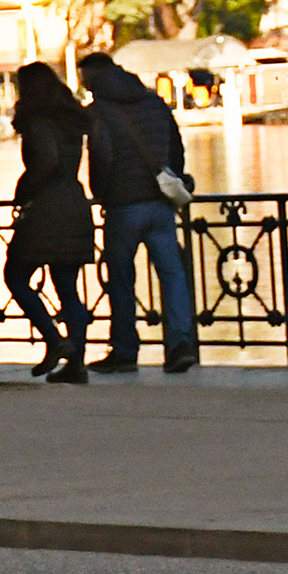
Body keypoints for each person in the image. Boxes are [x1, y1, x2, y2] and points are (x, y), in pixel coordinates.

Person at [79, 51, 198, 374]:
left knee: (120, 278)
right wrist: (169, 181)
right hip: (160, 203)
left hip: (123, 206)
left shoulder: (100, 112)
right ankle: (179, 344)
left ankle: (125, 349)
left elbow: (100, 159)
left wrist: (102, 193)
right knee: (172, 274)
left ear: (93, 79)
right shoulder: (154, 102)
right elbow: (176, 149)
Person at [5, 63, 96, 385]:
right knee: (68, 287)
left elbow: (46, 162)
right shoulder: (71, 121)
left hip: (47, 208)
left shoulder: (38, 124)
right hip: (74, 202)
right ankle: (77, 362)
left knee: (15, 275)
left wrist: (23, 190)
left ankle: (54, 339)